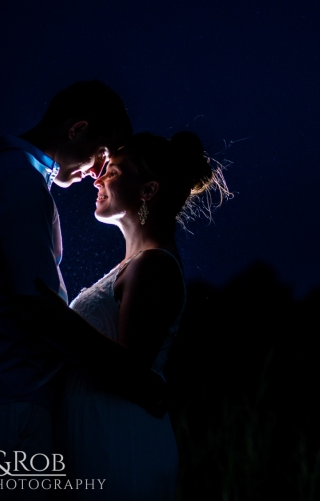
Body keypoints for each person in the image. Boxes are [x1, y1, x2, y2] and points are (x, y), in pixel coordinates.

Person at [0, 80, 165, 500]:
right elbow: (37, 305)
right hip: (9, 399)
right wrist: (136, 383)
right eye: (101, 155)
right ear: (76, 128)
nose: (97, 172)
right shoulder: (19, 181)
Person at [34, 130, 229, 500]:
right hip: (100, 435)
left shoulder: (154, 266)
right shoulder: (134, 265)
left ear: (148, 191)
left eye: (114, 171)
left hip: (120, 442)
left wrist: (56, 319)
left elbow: (132, 372)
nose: (98, 176)